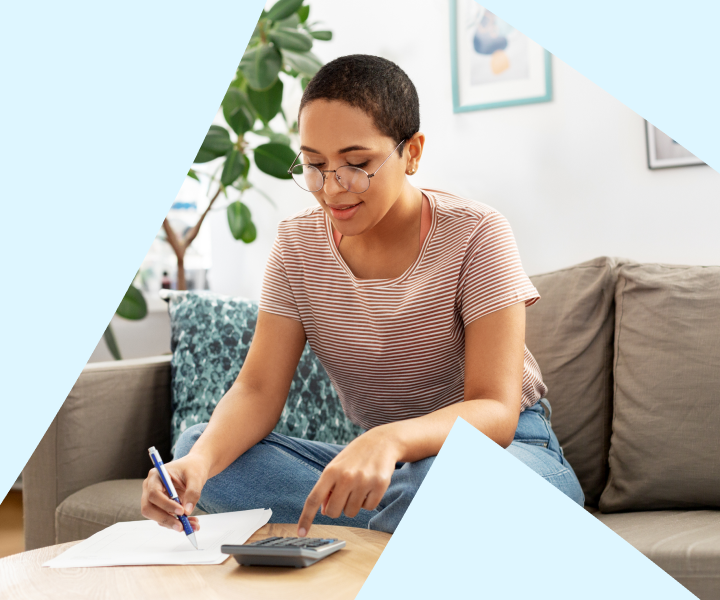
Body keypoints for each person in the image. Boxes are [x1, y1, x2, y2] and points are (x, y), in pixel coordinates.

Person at [140, 54, 584, 539]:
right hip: (392, 472)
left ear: (412, 152)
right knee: (200, 446)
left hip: (507, 455)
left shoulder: (477, 234)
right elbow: (257, 390)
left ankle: (380, 531)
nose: (331, 188)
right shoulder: (297, 247)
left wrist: (388, 439)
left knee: (432, 483)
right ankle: (405, 530)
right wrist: (198, 464)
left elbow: (496, 411)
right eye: (314, 165)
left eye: (356, 164)